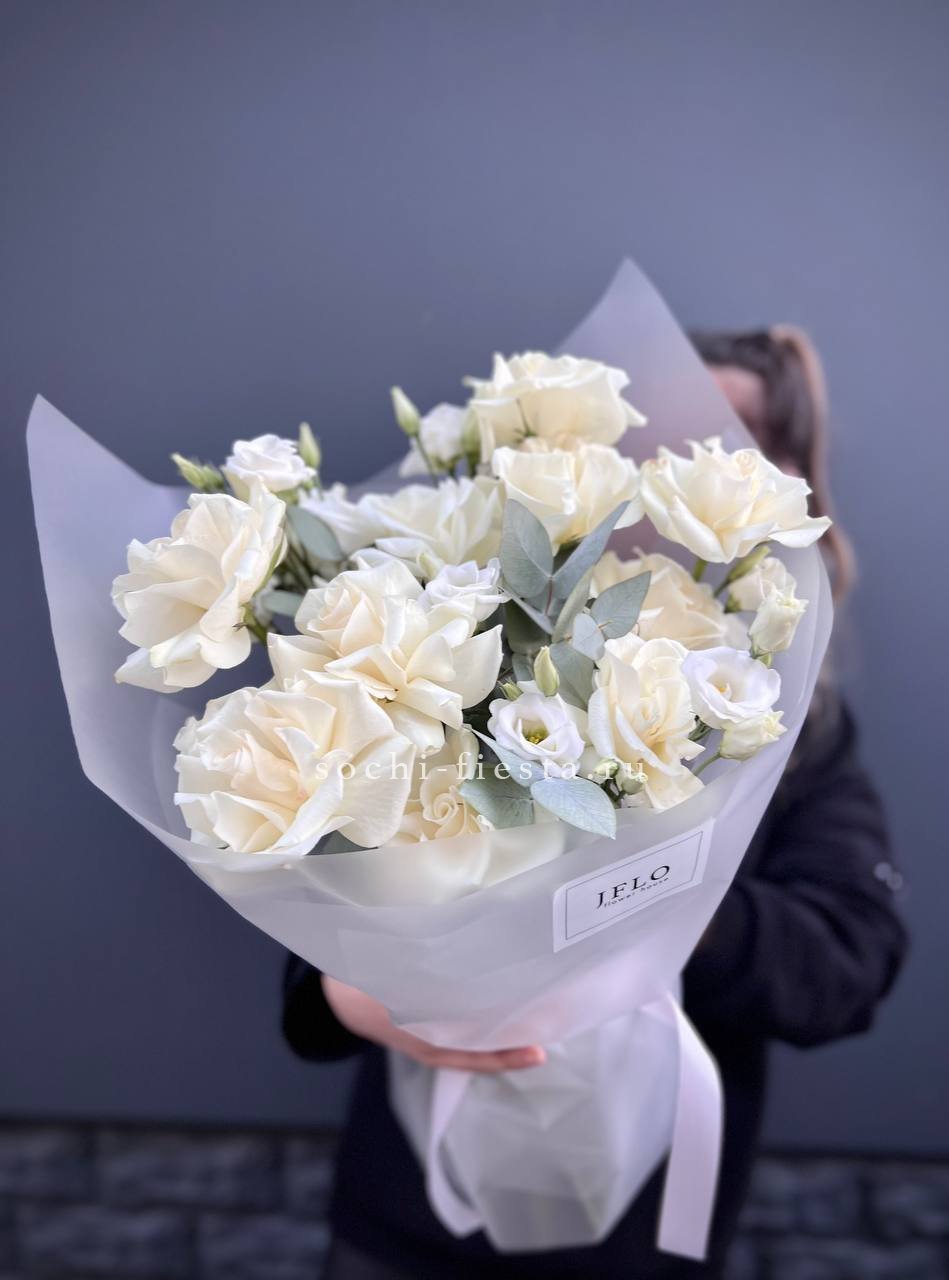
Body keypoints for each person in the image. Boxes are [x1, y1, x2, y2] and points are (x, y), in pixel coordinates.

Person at [282, 327, 907, 1279]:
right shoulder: (453, 643)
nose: (697, 463)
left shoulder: (793, 727)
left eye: (735, 439)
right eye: (670, 434)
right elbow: (325, 869)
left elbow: (849, 960)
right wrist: (346, 995)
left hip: (642, 1240)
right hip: (405, 1220)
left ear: (786, 484)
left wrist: (649, 893)